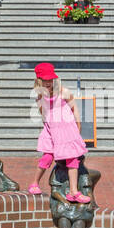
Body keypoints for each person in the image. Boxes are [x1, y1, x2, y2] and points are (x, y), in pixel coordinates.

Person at [27, 62, 90, 203]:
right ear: (38, 81)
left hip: (67, 131)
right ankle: (34, 183)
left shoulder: (64, 92)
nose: (48, 82)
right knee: (47, 157)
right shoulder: (40, 97)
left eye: (50, 79)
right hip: (53, 131)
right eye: (45, 80)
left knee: (73, 159)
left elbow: (75, 110)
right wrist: (48, 131)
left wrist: (78, 127)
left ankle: (74, 192)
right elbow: (44, 115)